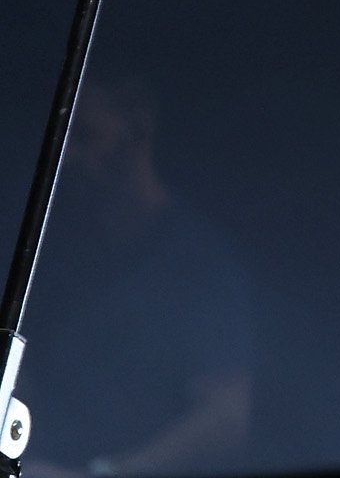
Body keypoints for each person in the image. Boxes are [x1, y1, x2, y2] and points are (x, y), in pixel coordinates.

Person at [12, 80, 253, 478]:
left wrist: (102, 473)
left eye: (85, 135)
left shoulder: (198, 263)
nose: (67, 156)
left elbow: (226, 419)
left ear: (137, 128)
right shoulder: (64, 250)